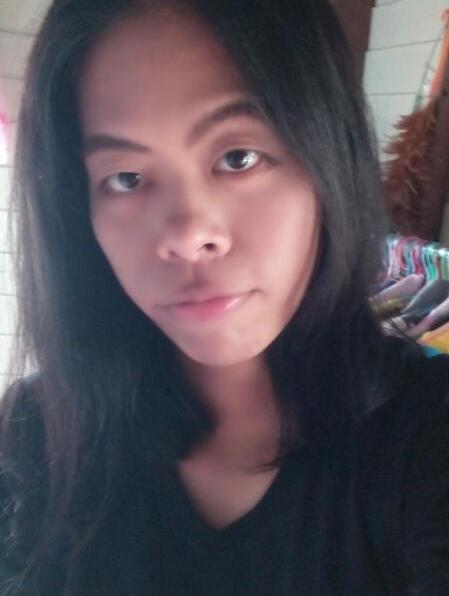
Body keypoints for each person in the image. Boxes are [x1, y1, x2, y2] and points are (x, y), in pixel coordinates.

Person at [0, 0, 448, 594]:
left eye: (238, 158)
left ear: (327, 162)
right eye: (126, 179)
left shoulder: (426, 435)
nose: (188, 235)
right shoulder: (35, 433)